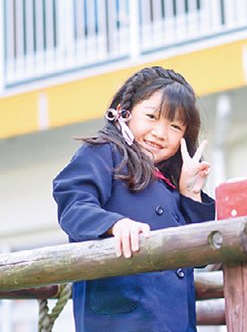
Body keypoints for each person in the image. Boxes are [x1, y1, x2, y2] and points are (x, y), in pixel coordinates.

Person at [53, 66, 215, 332]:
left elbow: (198, 258)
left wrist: (190, 192)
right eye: (151, 116)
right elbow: (73, 205)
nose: (161, 133)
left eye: (175, 126)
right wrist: (114, 224)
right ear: (122, 112)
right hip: (118, 322)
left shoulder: (168, 183)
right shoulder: (103, 152)